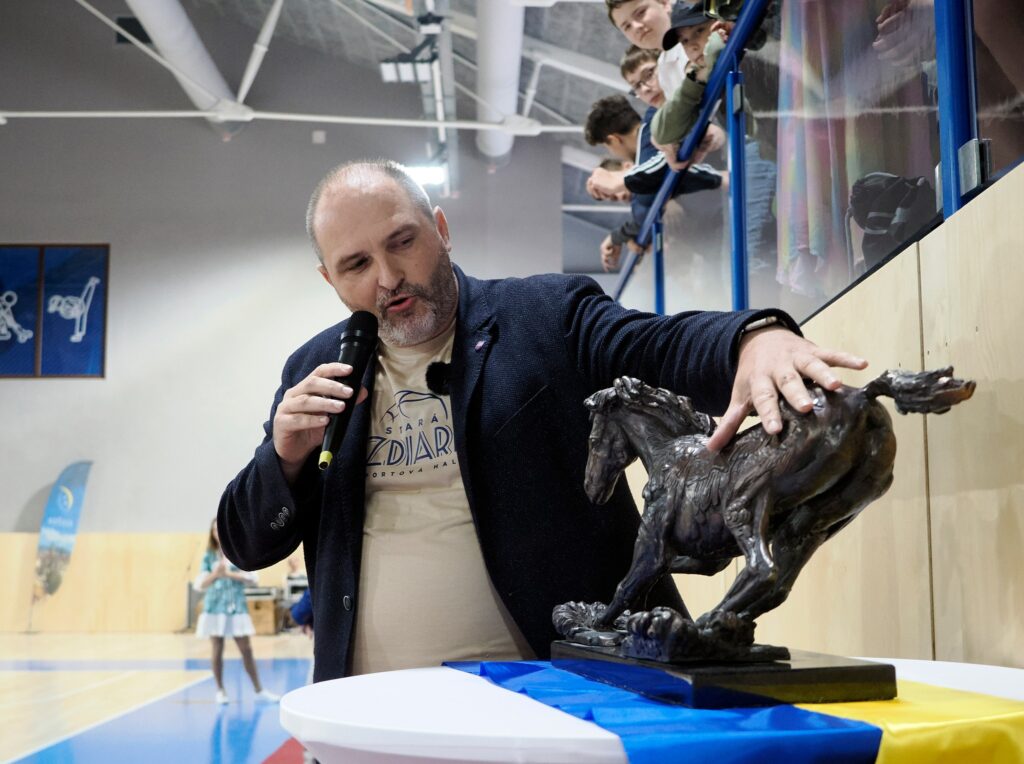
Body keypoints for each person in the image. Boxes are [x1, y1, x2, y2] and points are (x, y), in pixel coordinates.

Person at [218, 159, 867, 683]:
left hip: (559, 703)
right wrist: (284, 457)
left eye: (402, 242)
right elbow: (248, 545)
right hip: (373, 715)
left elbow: (660, 344)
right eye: (357, 265)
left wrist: (754, 337)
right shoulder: (316, 369)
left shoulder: (544, 315)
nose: (388, 277)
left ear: (440, 228)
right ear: (329, 279)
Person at [194, 519, 280, 704]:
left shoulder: (238, 551)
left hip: (237, 607)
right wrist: (215, 574)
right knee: (217, 649)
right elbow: (200, 584)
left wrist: (229, 574)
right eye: (214, 530)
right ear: (211, 534)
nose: (217, 533)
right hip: (215, 607)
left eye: (219, 529)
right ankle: (220, 691)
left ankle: (259, 690)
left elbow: (253, 578)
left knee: (246, 649)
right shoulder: (209, 556)